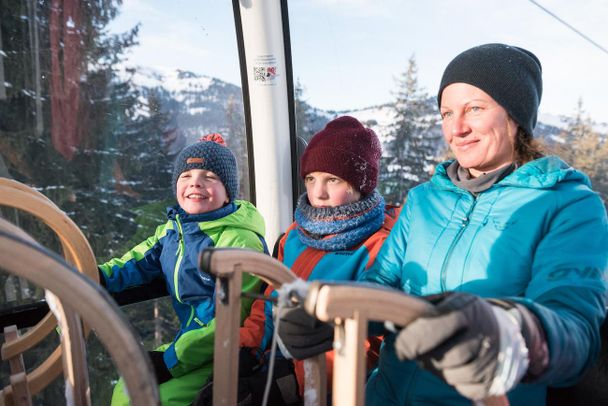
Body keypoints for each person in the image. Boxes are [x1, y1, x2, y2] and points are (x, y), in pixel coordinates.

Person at [278, 43, 608, 405]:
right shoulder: (423, 201)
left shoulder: (566, 205)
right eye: (446, 114)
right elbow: (381, 287)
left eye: (475, 109)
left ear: (515, 116)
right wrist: (333, 318)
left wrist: (511, 332)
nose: (457, 128)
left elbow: (576, 326)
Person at [194, 116, 400, 405]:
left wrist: (290, 381)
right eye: (311, 179)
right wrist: (244, 350)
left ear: (360, 186)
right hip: (271, 362)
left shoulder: (378, 248)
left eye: (333, 179)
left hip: (326, 385)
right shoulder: (295, 235)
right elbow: (268, 302)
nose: (318, 193)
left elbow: (369, 343)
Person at [98, 133, 267, 406]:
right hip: (191, 346)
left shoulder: (238, 241)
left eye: (209, 176)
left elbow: (229, 320)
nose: (195, 182)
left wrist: (169, 362)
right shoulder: (175, 230)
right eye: (185, 176)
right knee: (126, 391)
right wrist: (96, 277)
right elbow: (135, 263)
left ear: (227, 194)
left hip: (227, 351)